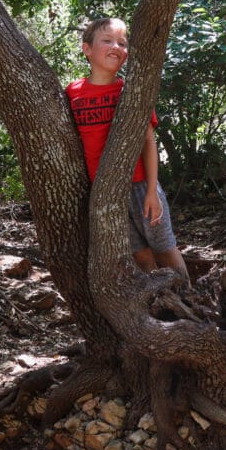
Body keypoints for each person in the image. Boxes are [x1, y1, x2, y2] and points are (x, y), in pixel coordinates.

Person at [65, 17, 189, 281]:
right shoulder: (73, 92)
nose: (116, 47)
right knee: (140, 254)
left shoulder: (129, 91)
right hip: (105, 191)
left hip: (142, 184)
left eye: (122, 42)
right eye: (107, 40)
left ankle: (190, 297)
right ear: (86, 48)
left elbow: (148, 140)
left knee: (164, 249)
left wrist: (153, 191)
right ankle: (162, 303)